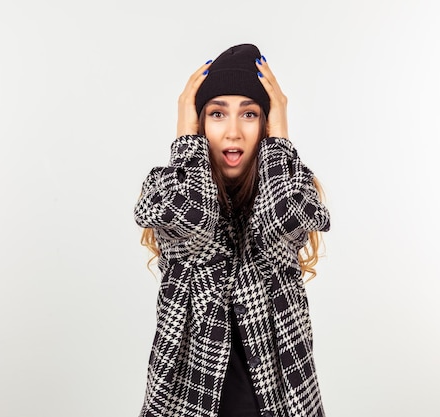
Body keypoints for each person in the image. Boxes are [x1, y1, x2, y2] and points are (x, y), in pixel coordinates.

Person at [134, 43, 331, 417]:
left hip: (278, 404)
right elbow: (196, 221)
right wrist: (187, 144)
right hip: (187, 404)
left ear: (267, 123)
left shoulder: (288, 185)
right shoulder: (170, 189)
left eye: (251, 114)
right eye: (217, 114)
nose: (234, 132)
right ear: (197, 122)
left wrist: (280, 143)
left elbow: (280, 219)